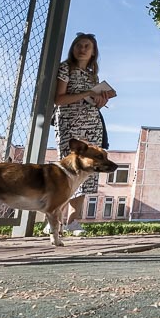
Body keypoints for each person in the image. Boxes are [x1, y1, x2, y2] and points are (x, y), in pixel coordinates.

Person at [52, 32, 114, 235]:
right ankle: (54, 220)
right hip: (69, 125)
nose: (83, 49)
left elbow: (91, 102)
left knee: (86, 174)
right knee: (67, 172)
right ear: (73, 48)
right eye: (79, 45)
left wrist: (100, 100)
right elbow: (59, 99)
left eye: (87, 46)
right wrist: (88, 93)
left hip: (92, 125)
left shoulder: (91, 76)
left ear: (93, 52)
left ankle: (72, 221)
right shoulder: (65, 68)